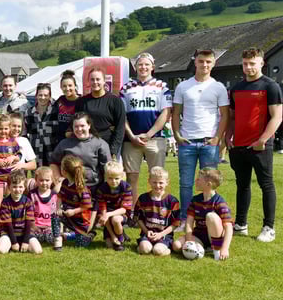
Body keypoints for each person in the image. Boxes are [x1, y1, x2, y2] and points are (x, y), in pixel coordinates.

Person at [226, 47, 282, 243]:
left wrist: (263, 140)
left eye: (252, 63)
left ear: (261, 63)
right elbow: (232, 117)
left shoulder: (271, 86)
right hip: (238, 145)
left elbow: (277, 117)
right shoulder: (236, 88)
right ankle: (241, 224)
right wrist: (228, 136)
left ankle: (269, 227)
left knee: (266, 185)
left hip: (260, 145)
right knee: (242, 185)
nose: (248, 67)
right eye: (245, 64)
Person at [171, 49, 229, 227]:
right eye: (201, 61)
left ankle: (206, 218)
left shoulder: (218, 87)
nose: (204, 65)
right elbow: (176, 113)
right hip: (187, 142)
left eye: (208, 62)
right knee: (186, 183)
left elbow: (225, 115)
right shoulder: (183, 86)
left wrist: (217, 138)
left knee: (209, 183)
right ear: (195, 62)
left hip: (208, 142)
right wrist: (177, 135)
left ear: (213, 64)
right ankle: (184, 219)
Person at [121, 52, 173, 194]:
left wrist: (149, 134)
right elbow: (122, 115)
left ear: (152, 67)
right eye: (140, 64)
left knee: (157, 178)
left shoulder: (163, 86)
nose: (143, 67)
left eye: (146, 64)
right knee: (131, 178)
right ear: (135, 67)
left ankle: (156, 211)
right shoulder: (126, 88)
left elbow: (166, 112)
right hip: (131, 141)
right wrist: (132, 136)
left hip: (155, 139)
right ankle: (132, 212)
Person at [172, 168, 234, 260]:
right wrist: (189, 241)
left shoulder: (219, 202)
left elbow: (228, 227)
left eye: (198, 179)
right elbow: (189, 222)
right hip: (200, 236)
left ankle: (217, 251)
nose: (195, 181)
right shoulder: (195, 200)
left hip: (216, 236)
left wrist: (225, 248)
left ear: (208, 184)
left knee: (211, 216)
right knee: (176, 246)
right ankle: (204, 248)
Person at [50, 112, 111, 188]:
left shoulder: (100, 144)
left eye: (82, 126)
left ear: (89, 125)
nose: (79, 129)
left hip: (92, 186)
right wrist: (58, 178)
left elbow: (107, 170)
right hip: (69, 186)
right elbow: (53, 162)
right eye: (76, 126)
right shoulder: (64, 143)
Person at [76, 67, 125, 157]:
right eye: (92, 80)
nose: (95, 82)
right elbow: (76, 123)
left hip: (108, 146)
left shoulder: (115, 100)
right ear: (88, 82)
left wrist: (113, 150)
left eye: (98, 79)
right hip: (86, 147)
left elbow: (120, 127)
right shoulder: (82, 102)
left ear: (104, 81)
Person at [134, 166, 180, 257]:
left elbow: (175, 223)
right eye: (154, 182)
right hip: (147, 234)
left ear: (167, 182)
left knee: (157, 251)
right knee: (145, 249)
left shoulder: (172, 201)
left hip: (164, 235)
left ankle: (167, 249)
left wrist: (161, 234)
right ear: (149, 181)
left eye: (161, 183)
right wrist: (146, 231)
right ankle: (142, 246)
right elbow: (138, 218)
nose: (157, 185)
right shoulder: (143, 198)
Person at [94, 161, 133, 251]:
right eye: (110, 178)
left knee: (116, 219)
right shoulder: (101, 189)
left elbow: (124, 209)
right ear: (105, 177)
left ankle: (120, 239)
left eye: (116, 178)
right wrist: (112, 236)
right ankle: (115, 235)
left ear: (122, 176)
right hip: (107, 214)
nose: (113, 181)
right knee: (109, 245)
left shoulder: (126, 187)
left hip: (121, 213)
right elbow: (103, 209)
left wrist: (108, 214)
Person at [57, 154, 95, 247]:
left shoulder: (81, 188)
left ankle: (90, 235)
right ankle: (57, 239)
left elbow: (87, 205)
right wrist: (58, 208)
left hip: (80, 221)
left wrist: (74, 211)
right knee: (54, 216)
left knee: (80, 245)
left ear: (64, 171)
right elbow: (60, 197)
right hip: (68, 216)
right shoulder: (65, 182)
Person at [0, 170, 36, 254]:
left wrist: (25, 241)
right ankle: (9, 243)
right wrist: (14, 242)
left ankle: (22, 244)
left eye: (20, 187)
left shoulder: (28, 201)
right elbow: (8, 224)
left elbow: (29, 223)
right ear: (9, 187)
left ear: (24, 188)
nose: (17, 189)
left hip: (24, 233)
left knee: (37, 250)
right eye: (14, 187)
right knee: (0, 250)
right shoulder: (5, 203)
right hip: (8, 233)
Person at [28, 166, 62, 253]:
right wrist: (33, 225)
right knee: (29, 237)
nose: (44, 183)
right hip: (36, 226)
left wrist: (58, 228)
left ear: (52, 181)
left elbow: (58, 214)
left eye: (47, 180)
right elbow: (28, 213)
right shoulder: (32, 195)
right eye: (41, 180)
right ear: (36, 180)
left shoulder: (55, 196)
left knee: (51, 238)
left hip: (49, 227)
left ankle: (68, 235)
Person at [26, 82, 58, 167]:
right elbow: (25, 133)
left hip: (52, 154)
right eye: (40, 95)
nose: (43, 98)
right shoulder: (29, 113)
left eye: (46, 95)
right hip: (35, 154)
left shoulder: (56, 111)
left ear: (50, 96)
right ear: (36, 95)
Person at [54, 70, 80, 143]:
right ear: (61, 87)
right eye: (64, 86)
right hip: (60, 141)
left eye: (70, 85)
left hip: (76, 141)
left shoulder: (82, 101)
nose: (67, 88)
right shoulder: (60, 100)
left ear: (75, 86)